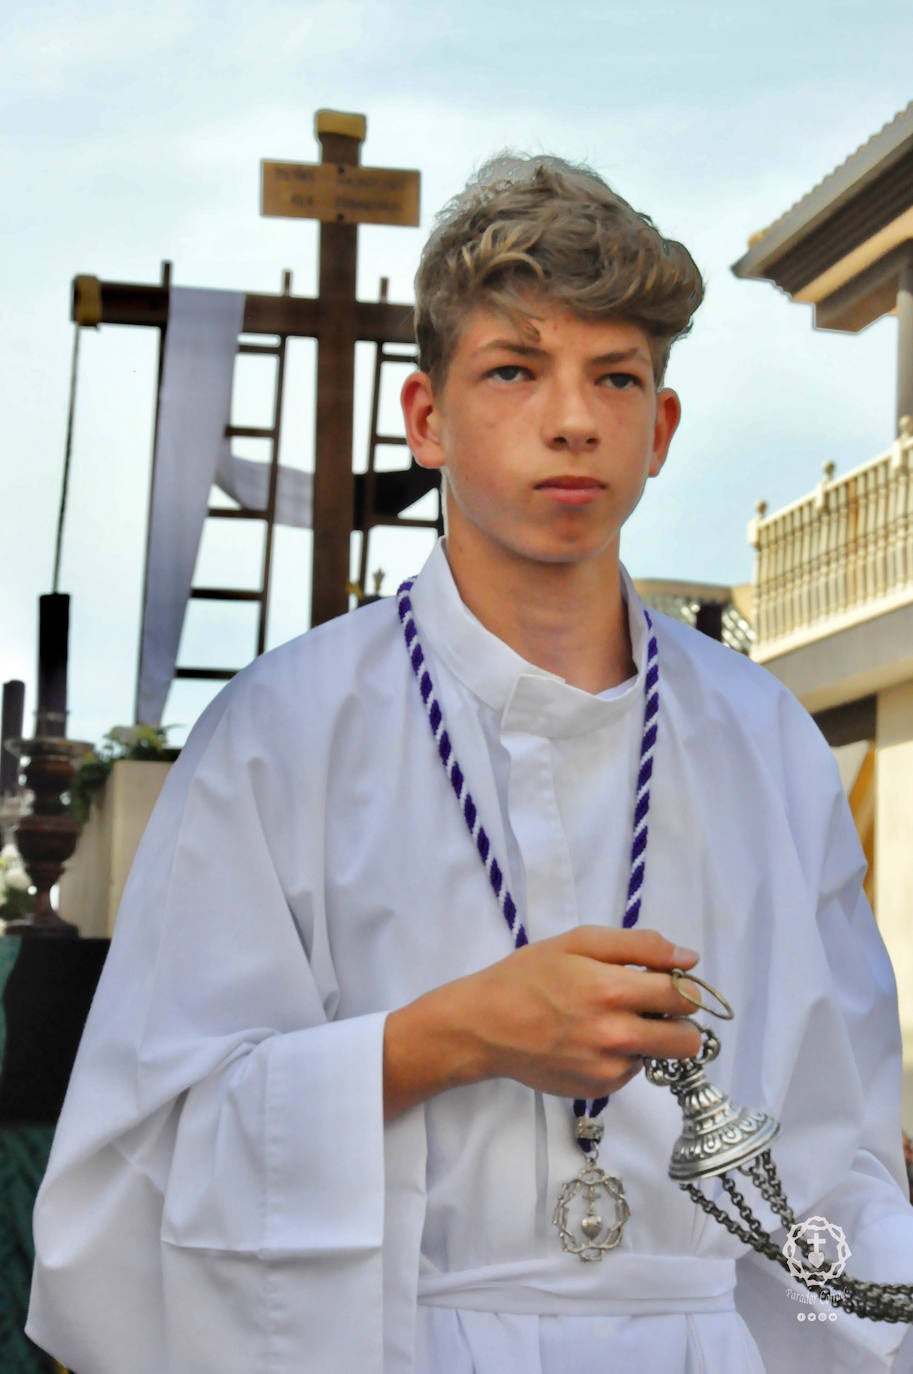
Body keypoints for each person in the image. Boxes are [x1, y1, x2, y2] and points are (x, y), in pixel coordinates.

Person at [27, 155, 913, 1374]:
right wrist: (448, 1038)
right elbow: (140, 1164)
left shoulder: (766, 743)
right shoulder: (281, 733)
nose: (571, 419)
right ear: (427, 416)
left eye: (615, 378)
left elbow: (836, 1161)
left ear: (658, 431)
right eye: (514, 371)